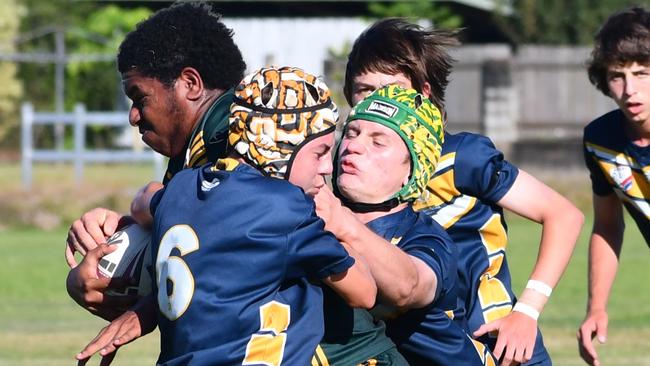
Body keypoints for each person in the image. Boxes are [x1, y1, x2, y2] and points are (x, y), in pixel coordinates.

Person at [75, 66, 378, 365]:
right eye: (319, 152)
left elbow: (144, 200)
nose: (327, 167)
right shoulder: (283, 208)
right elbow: (364, 293)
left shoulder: (182, 187)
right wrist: (335, 218)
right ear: (281, 145)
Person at [343, 18, 584, 365]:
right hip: (410, 348)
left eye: (393, 88)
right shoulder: (348, 170)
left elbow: (563, 214)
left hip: (493, 343)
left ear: (424, 93)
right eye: (366, 90)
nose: (381, 101)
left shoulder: (462, 157)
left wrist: (528, 311)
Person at [65, 2, 246, 320]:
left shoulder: (234, 131)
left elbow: (232, 225)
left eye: (140, 98)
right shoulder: (193, 146)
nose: (133, 117)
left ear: (190, 84)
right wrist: (121, 234)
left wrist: (148, 200)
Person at [316, 85, 497, 365]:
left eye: (378, 142)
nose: (354, 146)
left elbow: (408, 287)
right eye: (352, 133)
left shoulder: (429, 239)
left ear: (411, 170)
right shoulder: (314, 212)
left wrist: (343, 224)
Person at [578, 7, 650, 366]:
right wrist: (597, 306)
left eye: (642, 73)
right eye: (617, 76)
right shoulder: (601, 139)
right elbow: (607, 225)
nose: (630, 89)